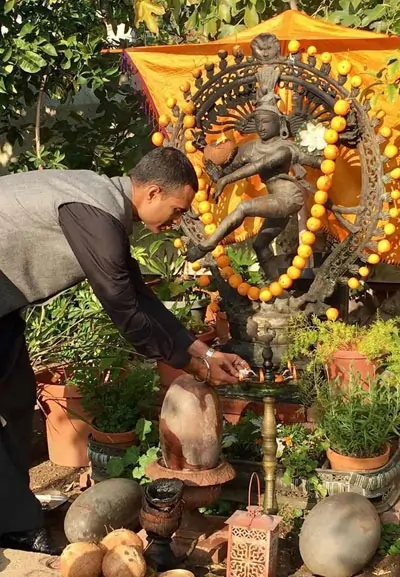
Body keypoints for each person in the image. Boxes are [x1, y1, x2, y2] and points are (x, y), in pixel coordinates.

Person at [0, 146, 250, 555]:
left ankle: (11, 520)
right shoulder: (95, 214)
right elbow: (125, 310)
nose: (176, 221)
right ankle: (18, 524)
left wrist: (201, 352)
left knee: (15, 398)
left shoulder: (104, 208)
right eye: (175, 209)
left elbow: (138, 293)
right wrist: (190, 364)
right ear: (152, 192)